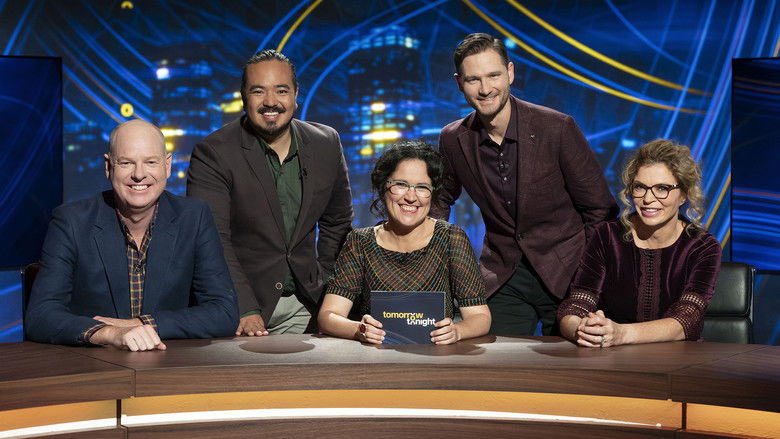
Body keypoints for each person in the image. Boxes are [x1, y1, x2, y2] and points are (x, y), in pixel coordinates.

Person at [431, 33, 617, 336]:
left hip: (568, 273)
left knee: (576, 362)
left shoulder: (556, 128)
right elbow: (439, 201)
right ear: (459, 83)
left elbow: (600, 210)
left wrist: (588, 274)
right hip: (503, 273)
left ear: (510, 73)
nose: (485, 89)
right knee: (492, 359)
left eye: (494, 75)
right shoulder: (453, 138)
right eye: (473, 79)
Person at [25, 119, 239, 350]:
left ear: (167, 166)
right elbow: (40, 315)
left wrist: (139, 325)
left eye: (151, 162)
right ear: (109, 167)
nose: (139, 174)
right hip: (94, 363)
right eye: (126, 163)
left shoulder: (194, 217)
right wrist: (108, 333)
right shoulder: (71, 222)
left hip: (169, 362)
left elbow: (224, 312)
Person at [187, 50, 353, 336]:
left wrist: (327, 283)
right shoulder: (213, 153)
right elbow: (212, 239)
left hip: (306, 304)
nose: (271, 102)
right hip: (239, 308)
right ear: (244, 97)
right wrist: (245, 308)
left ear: (296, 95)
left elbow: (338, 222)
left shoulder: (326, 142)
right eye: (258, 91)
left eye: (281, 90)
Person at [318, 140, 491, 344]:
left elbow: (480, 317)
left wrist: (458, 331)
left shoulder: (451, 238)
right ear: (383, 187)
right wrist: (359, 329)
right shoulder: (360, 242)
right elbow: (328, 316)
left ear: (433, 193)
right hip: (377, 358)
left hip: (437, 358)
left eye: (422, 187)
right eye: (400, 184)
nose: (411, 197)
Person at [558, 139, 722, 347]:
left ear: (683, 195)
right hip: (610, 355)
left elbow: (688, 319)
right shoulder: (607, 236)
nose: (647, 199)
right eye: (640, 187)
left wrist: (621, 334)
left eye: (662, 188)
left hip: (679, 358)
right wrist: (583, 329)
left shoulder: (703, 247)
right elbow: (577, 303)